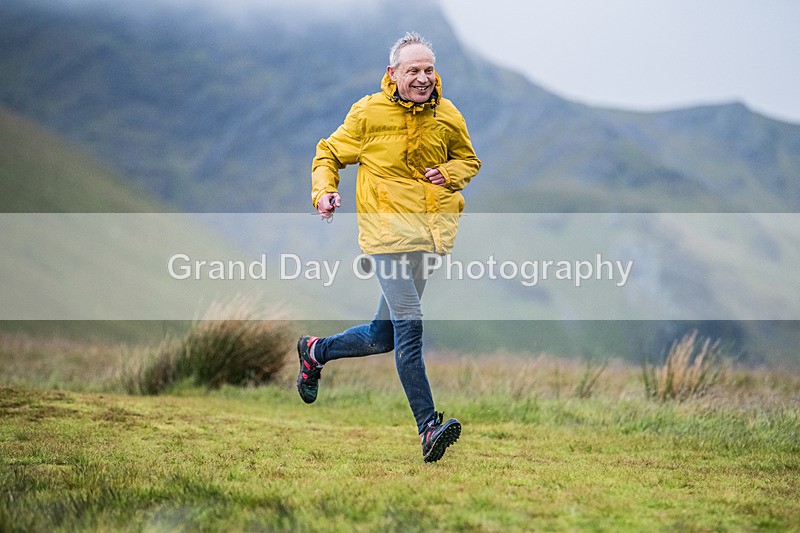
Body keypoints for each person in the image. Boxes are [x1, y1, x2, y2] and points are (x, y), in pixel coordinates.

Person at [297, 31, 481, 463]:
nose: (422, 78)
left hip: (430, 238)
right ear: (393, 74)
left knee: (384, 336)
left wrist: (448, 173)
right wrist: (324, 192)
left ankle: (314, 351)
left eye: (428, 69)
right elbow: (327, 153)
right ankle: (428, 426)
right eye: (413, 70)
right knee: (410, 327)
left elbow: (469, 160)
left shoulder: (448, 114)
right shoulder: (368, 113)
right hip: (386, 238)